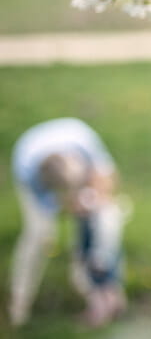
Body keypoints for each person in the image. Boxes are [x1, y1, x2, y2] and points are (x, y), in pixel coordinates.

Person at [9, 117, 127, 328]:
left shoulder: (84, 142)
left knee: (105, 221)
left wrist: (95, 199)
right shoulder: (27, 170)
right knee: (39, 235)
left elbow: (109, 177)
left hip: (73, 153)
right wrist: (69, 204)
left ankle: (101, 289)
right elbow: (47, 206)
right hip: (32, 165)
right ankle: (19, 303)